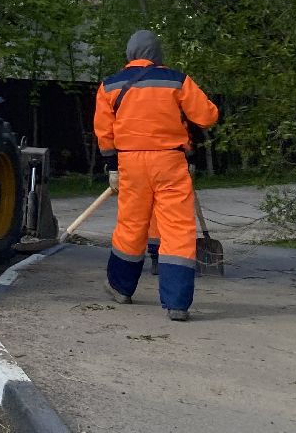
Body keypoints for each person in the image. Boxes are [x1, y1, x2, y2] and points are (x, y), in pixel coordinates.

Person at [94, 29, 219, 321]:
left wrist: (113, 168)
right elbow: (208, 116)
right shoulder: (176, 80)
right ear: (157, 54)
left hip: (130, 164)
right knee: (176, 228)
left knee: (130, 225)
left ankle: (120, 287)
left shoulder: (109, 86)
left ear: (129, 54)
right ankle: (177, 304)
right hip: (170, 161)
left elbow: (104, 134)